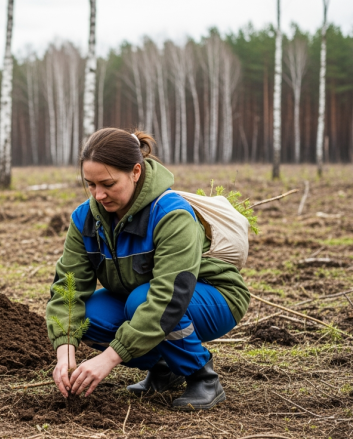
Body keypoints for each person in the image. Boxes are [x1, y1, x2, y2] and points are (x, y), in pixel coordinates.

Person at [47, 128, 249, 411]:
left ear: (136, 172)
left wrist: (109, 358)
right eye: (90, 184)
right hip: (143, 297)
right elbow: (68, 289)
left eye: (108, 184)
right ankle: (165, 368)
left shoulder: (171, 214)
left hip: (212, 297)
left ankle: (202, 377)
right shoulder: (85, 218)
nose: (99, 195)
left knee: (141, 301)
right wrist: (65, 350)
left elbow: (169, 296)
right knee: (89, 317)